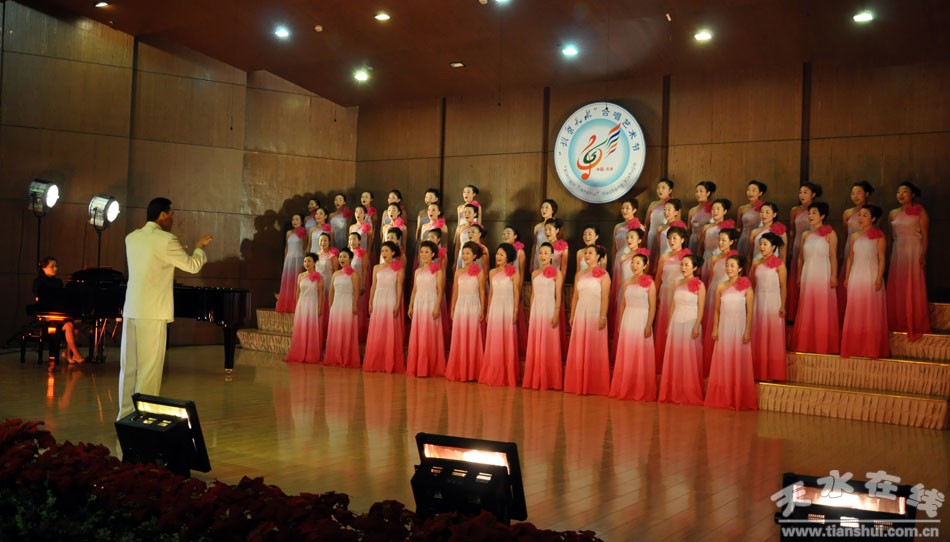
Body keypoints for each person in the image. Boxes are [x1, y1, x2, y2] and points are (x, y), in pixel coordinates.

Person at [118, 197, 212, 420]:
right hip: (153, 312)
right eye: (171, 215)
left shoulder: (132, 237)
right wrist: (199, 248)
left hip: (132, 309)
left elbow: (152, 261)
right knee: (149, 371)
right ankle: (145, 419)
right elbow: (192, 266)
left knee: (128, 368)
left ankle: (124, 417)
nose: (172, 220)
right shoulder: (167, 239)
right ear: (162, 215)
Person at [704, 255, 757, 410]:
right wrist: (715, 327)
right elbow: (717, 310)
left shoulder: (746, 287)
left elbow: (750, 311)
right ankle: (723, 396)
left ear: (740, 269)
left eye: (732, 266)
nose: (729, 268)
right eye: (727, 265)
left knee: (738, 359)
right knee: (724, 358)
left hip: (739, 327)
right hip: (724, 327)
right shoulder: (721, 286)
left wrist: (747, 331)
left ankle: (737, 397)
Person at [841, 205, 889, 358]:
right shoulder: (854, 236)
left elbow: (882, 258)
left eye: (865, 215)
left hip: (871, 275)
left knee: (870, 310)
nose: (860, 218)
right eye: (860, 215)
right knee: (855, 309)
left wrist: (879, 277)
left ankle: (870, 347)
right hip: (856, 275)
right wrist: (847, 277)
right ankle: (854, 346)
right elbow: (850, 258)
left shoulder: (879, 236)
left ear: (873, 218)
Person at [657, 254, 705, 406]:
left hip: (690, 322)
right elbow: (673, 305)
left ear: (695, 268)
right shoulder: (677, 282)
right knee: (676, 356)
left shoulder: (700, 285)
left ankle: (689, 392)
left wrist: (697, 325)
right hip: (676, 322)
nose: (683, 267)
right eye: (682, 264)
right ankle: (674, 391)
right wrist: (669, 324)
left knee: (689, 358)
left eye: (687, 265)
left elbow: (701, 307)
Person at [791, 201, 839, 354]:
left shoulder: (830, 234)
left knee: (822, 307)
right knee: (807, 306)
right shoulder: (805, 235)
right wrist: (799, 276)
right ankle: (806, 343)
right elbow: (800, 258)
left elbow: (833, 256)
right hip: (808, 274)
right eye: (809, 213)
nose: (811, 216)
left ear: (822, 216)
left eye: (814, 213)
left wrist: (834, 276)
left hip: (823, 273)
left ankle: (823, 344)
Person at [564, 245, 611, 396]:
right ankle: (578, 382)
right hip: (581, 313)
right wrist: (572, 315)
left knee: (594, 346)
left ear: (598, 256)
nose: (587, 255)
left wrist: (603, 316)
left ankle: (595, 384)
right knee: (579, 345)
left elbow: (605, 297)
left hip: (595, 313)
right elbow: (575, 296)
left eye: (590, 253)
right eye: (586, 253)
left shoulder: (604, 275)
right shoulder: (579, 274)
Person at [609, 253, 657, 401]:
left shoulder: (650, 283)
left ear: (645, 265)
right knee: (627, 352)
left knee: (640, 352)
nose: (634, 265)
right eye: (633, 262)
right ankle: (625, 386)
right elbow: (623, 303)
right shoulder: (627, 282)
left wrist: (649, 324)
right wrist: (620, 322)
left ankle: (640, 388)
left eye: (638, 263)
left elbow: (652, 306)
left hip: (642, 318)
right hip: (628, 318)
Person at [886, 182, 930, 339]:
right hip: (898, 251)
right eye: (898, 191)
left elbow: (924, 235)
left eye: (904, 191)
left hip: (913, 250)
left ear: (912, 195)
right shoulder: (892, 213)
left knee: (913, 284)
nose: (901, 194)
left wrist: (923, 255)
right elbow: (890, 237)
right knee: (898, 285)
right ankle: (897, 321)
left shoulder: (920, 212)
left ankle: (914, 322)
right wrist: (888, 255)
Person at [522, 243, 563, 390]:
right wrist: (530, 312)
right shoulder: (535, 273)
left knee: (549, 342)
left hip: (549, 309)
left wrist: (556, 313)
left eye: (546, 253)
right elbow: (533, 294)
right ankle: (535, 377)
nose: (543, 255)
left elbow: (558, 295)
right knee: (535, 342)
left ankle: (550, 379)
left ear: (552, 255)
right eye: (541, 253)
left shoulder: (557, 273)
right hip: (536, 310)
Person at [479, 244, 521, 386]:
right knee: (494, 339)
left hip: (507, 307)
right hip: (495, 308)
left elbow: (516, 293)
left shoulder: (514, 272)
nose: (498, 256)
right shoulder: (492, 272)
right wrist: (488, 311)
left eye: (502, 254)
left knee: (507, 339)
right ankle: (493, 372)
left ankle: (507, 375)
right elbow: (491, 292)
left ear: (508, 257)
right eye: (497, 254)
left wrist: (515, 310)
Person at [363, 241, 405, 373]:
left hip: (390, 298)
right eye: (382, 251)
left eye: (386, 250)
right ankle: (376, 361)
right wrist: (370, 302)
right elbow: (373, 286)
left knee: (389, 328)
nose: (384, 253)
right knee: (377, 328)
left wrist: (397, 304)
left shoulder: (399, 268)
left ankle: (389, 362)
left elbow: (399, 287)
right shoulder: (376, 268)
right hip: (378, 299)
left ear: (393, 252)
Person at [32, 256, 85, 364]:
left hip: (58, 313)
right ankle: (75, 354)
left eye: (56, 266)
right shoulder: (38, 282)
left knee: (76, 327)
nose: (55, 269)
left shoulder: (58, 282)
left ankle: (67, 354)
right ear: (43, 268)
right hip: (46, 315)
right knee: (69, 325)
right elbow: (40, 300)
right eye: (52, 266)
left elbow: (62, 299)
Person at [446, 242, 486, 382]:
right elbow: (455, 292)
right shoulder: (458, 272)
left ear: (474, 256)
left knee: (473, 336)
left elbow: (482, 291)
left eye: (468, 253)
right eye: (463, 253)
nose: (464, 256)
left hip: (474, 305)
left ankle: (473, 371)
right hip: (460, 305)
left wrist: (482, 309)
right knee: (459, 336)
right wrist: (452, 308)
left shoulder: (480, 272)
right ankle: (459, 370)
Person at [750, 233, 787, 381]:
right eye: (761, 244)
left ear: (773, 247)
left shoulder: (780, 264)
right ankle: (758, 371)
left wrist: (783, 305)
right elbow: (751, 285)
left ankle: (773, 372)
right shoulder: (756, 263)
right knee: (758, 333)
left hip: (773, 301)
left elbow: (783, 286)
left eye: (765, 244)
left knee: (773, 334)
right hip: (759, 300)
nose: (762, 247)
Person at [406, 241, 446, 377]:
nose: (423, 254)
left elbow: (440, 290)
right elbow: (414, 289)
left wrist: (437, 307)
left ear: (433, 254)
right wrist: (410, 305)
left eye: (427, 252)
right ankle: (417, 366)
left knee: (429, 334)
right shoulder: (417, 271)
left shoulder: (438, 271)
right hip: (419, 303)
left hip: (431, 303)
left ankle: (430, 367)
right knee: (418, 334)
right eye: (422, 251)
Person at [653, 226, 690, 372]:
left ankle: (677, 362)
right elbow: (658, 278)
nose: (671, 241)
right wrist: (655, 295)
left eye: (675, 238)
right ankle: (662, 361)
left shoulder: (687, 257)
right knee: (663, 323)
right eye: (669, 238)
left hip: (680, 294)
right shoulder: (664, 257)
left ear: (682, 240)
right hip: (665, 293)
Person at [838, 181, 874, 319]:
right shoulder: (847, 213)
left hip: (866, 250)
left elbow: (876, 232)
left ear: (867, 194)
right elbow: (844, 234)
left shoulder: (872, 211)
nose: (855, 196)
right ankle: (847, 314)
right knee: (847, 278)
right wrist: (842, 251)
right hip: (850, 247)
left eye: (859, 193)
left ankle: (862, 314)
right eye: (853, 193)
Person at [787, 182, 822, 322]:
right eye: (800, 192)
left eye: (805, 192)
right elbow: (792, 231)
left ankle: (808, 314)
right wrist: (790, 248)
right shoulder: (795, 210)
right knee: (795, 277)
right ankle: (793, 314)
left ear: (813, 195)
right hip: (797, 245)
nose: (802, 195)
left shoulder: (816, 211)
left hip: (811, 247)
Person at [324, 248, 361, 368]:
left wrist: (354, 305)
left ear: (350, 259)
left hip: (347, 304)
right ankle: (335, 356)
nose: (341, 259)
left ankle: (346, 357)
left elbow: (356, 291)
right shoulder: (335, 274)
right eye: (340, 257)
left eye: (344, 256)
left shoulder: (354, 275)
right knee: (336, 329)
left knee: (346, 330)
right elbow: (331, 291)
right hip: (336, 304)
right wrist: (330, 306)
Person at [285, 252, 324, 365]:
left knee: (311, 328)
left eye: (309, 261)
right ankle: (299, 352)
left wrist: (319, 307)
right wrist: (297, 305)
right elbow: (298, 292)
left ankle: (311, 354)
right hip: (302, 304)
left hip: (312, 304)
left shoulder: (319, 277)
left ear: (314, 263)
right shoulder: (300, 276)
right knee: (301, 328)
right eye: (305, 261)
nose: (307, 263)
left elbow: (320, 294)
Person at [275, 214, 306, 313]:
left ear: (301, 222)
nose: (294, 221)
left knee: (297, 281)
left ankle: (296, 304)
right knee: (288, 281)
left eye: (297, 219)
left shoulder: (304, 233)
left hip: (299, 258)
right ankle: (287, 304)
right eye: (293, 219)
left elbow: (305, 247)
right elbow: (286, 248)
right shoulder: (288, 233)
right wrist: (286, 259)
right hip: (289, 259)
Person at [747, 202, 787, 268]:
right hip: (757, 264)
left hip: (772, 266)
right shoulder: (754, 232)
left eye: (767, 212)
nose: (764, 215)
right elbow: (750, 254)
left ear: (774, 214)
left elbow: (783, 255)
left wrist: (782, 269)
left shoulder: (780, 232)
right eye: (761, 212)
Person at [736, 180, 767, 259]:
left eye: (753, 190)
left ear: (760, 193)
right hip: (744, 239)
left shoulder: (765, 208)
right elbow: (739, 227)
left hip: (758, 240)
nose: (750, 193)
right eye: (748, 190)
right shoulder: (742, 208)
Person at [645, 178, 673, 256]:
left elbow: (676, 223)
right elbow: (647, 224)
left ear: (670, 190)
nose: (660, 190)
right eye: (658, 188)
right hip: (652, 236)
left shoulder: (673, 204)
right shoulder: (653, 204)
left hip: (665, 236)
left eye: (663, 188)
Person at [687, 181, 715, 253]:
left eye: (701, 191)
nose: (698, 194)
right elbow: (689, 230)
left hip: (708, 241)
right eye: (696, 191)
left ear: (708, 193)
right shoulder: (692, 211)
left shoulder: (713, 209)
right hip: (694, 240)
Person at [531, 199, 558, 271]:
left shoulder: (557, 225)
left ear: (553, 210)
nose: (543, 210)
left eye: (546, 207)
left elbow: (559, 243)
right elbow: (535, 245)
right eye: (542, 207)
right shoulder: (537, 227)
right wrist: (532, 261)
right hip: (539, 255)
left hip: (552, 256)